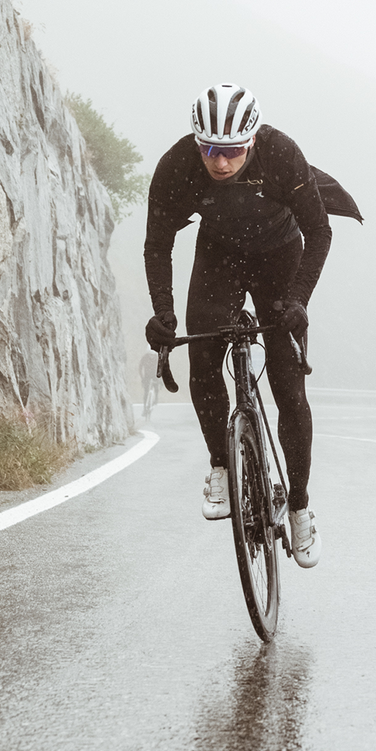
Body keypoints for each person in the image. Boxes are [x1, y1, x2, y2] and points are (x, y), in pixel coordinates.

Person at [143, 83, 330, 568]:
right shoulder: (178, 166)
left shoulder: (282, 153)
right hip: (220, 256)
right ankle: (222, 465)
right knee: (202, 355)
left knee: (289, 386)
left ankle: (302, 506)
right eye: (210, 150)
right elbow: (157, 245)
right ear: (197, 141)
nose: (220, 163)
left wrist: (298, 301)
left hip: (280, 256)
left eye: (230, 152)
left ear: (251, 141)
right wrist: (163, 315)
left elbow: (320, 230)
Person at [138, 350, 160, 421]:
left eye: (152, 355)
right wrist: (142, 377)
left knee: (156, 388)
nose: (151, 356)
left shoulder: (157, 357)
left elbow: (161, 368)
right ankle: (145, 408)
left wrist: (161, 380)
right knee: (146, 391)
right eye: (150, 355)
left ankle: (156, 398)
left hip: (155, 376)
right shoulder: (145, 357)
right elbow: (140, 367)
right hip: (147, 376)